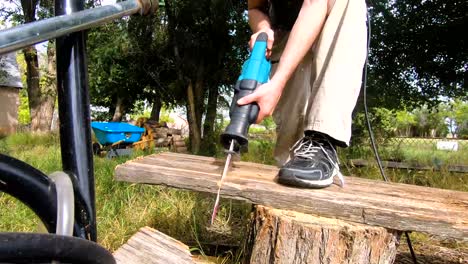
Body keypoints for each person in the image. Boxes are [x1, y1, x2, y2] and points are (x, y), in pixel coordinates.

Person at [237, 0, 368, 188]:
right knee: (291, 144)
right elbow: (255, 7)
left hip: (332, 19)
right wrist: (263, 28)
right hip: (285, 34)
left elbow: (315, 3)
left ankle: (323, 141)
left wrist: (277, 83)